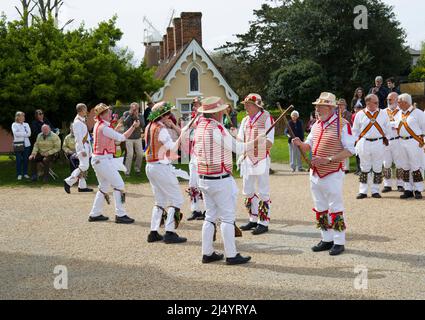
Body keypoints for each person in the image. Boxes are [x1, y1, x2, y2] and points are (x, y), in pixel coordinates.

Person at [292, 92, 355, 256]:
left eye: (320, 106)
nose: (317, 109)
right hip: (315, 172)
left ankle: (339, 241)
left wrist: (328, 159)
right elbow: (308, 145)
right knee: (320, 206)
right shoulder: (316, 124)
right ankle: (326, 239)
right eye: (317, 106)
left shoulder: (343, 124)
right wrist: (300, 144)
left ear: (330, 107)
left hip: (332, 172)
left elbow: (350, 150)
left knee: (335, 206)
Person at [194, 96, 254, 265]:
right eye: (220, 110)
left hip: (203, 177)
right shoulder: (217, 128)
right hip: (219, 178)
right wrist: (255, 142)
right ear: (216, 113)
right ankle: (231, 255)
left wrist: (233, 136)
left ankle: (207, 253)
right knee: (227, 218)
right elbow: (237, 148)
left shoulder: (199, 126)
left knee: (210, 216)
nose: (223, 112)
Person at [88, 103, 140, 224]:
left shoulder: (100, 125)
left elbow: (114, 137)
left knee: (104, 187)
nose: (110, 113)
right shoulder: (104, 127)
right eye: (107, 112)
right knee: (119, 185)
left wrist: (119, 125)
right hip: (103, 160)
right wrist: (133, 126)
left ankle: (95, 213)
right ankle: (120, 214)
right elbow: (121, 138)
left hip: (99, 159)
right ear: (101, 115)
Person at [144, 101, 188, 244]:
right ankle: (170, 232)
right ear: (163, 116)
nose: (170, 116)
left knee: (160, 200)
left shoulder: (149, 126)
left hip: (151, 166)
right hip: (161, 166)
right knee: (177, 200)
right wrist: (181, 135)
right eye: (168, 114)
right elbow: (172, 148)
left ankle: (153, 232)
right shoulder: (161, 129)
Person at [237, 93, 275, 235]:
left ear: (256, 106)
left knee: (263, 191)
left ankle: (263, 222)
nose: (246, 107)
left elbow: (270, 142)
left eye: (248, 104)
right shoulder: (245, 120)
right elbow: (241, 139)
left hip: (261, 159)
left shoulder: (267, 118)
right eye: (245, 104)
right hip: (247, 159)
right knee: (247, 190)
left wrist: (255, 145)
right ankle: (253, 218)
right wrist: (240, 141)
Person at [352, 94, 391, 199]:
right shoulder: (360, 114)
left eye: (378, 102)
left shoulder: (383, 114)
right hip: (364, 143)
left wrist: (385, 140)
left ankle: (375, 190)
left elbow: (388, 129)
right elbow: (355, 130)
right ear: (368, 103)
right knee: (364, 167)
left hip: (378, 143)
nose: (378, 104)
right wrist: (356, 143)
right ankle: (363, 191)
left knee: (377, 167)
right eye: (376, 102)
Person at [395, 94, 425, 199]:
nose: (397, 103)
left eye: (399, 101)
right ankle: (408, 189)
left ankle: (418, 190)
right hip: (401, 141)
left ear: (406, 102)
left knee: (415, 165)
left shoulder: (418, 113)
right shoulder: (398, 114)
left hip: (414, 142)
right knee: (405, 166)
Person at [64, 103, 93, 193]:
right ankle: (68, 181)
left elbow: (85, 134)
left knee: (84, 166)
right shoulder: (76, 122)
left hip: (87, 145)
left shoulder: (82, 120)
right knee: (84, 166)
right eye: (85, 109)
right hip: (82, 146)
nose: (86, 111)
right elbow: (78, 137)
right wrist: (82, 149)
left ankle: (82, 186)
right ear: (80, 110)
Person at [186, 96, 206, 221]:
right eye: (194, 104)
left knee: (202, 183)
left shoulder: (205, 118)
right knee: (193, 182)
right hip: (194, 153)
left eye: (197, 104)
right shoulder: (195, 117)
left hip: (202, 155)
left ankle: (207, 210)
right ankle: (195, 209)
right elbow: (188, 130)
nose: (194, 106)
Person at [382, 92, 404, 193]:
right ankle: (387, 185)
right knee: (386, 163)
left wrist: (392, 124)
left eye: (390, 99)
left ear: (396, 99)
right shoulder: (382, 112)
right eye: (387, 100)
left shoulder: (401, 111)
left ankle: (400, 184)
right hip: (386, 141)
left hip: (398, 140)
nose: (388, 101)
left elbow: (402, 124)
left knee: (399, 163)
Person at [123, 102, 145, 176]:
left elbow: (143, 125)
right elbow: (124, 123)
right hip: (129, 138)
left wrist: (137, 116)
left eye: (136, 108)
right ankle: (127, 171)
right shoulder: (126, 114)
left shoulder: (140, 115)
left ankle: (137, 169)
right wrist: (130, 114)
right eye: (133, 108)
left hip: (138, 138)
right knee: (130, 154)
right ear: (130, 108)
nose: (135, 110)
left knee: (140, 154)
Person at [11, 111, 31, 180]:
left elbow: (29, 134)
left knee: (26, 159)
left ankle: (25, 173)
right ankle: (19, 174)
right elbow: (16, 134)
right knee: (19, 160)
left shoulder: (26, 124)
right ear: (18, 117)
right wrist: (24, 133)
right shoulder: (14, 124)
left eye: (24, 116)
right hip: (18, 144)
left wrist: (21, 133)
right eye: (22, 116)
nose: (24, 117)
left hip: (27, 144)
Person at [337, 99, 353, 173]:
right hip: (337, 133)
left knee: (346, 150)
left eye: (342, 105)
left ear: (345, 105)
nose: (340, 106)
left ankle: (346, 167)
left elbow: (349, 124)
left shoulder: (349, 114)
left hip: (345, 133)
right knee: (338, 150)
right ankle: (339, 166)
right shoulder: (335, 114)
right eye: (339, 105)